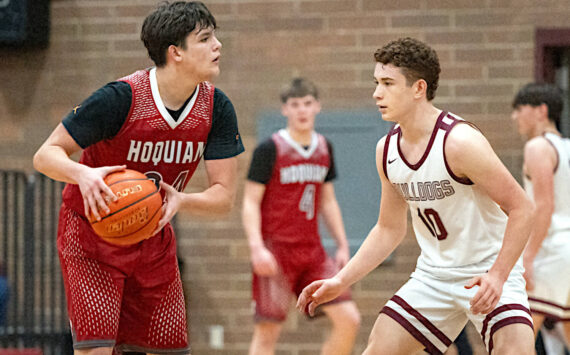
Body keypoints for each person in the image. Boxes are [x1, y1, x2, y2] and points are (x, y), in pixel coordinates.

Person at [297, 37, 536, 355]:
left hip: (487, 270)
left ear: (418, 88)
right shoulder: (386, 150)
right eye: (376, 82)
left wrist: (498, 276)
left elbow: (522, 207)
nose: (376, 93)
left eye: (387, 83)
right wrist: (341, 281)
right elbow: (388, 230)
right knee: (377, 349)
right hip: (434, 277)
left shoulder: (460, 142)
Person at [33, 1, 244, 354]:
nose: (217, 45)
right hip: (92, 237)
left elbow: (223, 197)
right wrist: (82, 174)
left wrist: (182, 200)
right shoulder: (121, 98)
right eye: (206, 38)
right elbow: (45, 154)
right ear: (175, 52)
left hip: (152, 238)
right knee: (97, 349)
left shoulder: (216, 108)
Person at [242, 78, 361, 355]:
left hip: (313, 253)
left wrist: (342, 244)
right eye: (295, 105)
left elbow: (328, 201)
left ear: (317, 106)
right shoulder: (269, 149)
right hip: (276, 252)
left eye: (307, 103)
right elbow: (249, 202)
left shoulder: (324, 147)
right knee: (268, 332)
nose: (302, 110)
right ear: (285, 109)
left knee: (349, 319)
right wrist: (256, 248)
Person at [511, 83, 570, 348]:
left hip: (553, 249)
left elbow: (544, 206)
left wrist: (528, 256)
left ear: (541, 111)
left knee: (515, 341)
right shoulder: (566, 147)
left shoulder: (537, 147)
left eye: (519, 109)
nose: (514, 117)